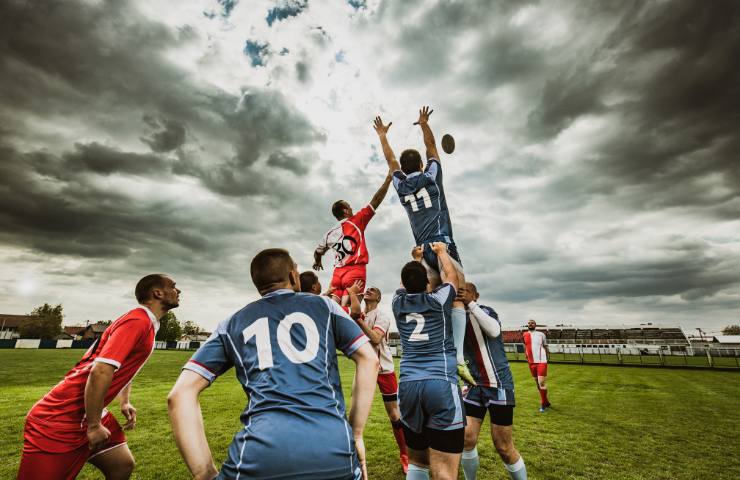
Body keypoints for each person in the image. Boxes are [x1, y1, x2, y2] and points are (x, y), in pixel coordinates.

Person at [168, 248, 378, 480]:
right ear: (292, 276)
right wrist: (356, 433)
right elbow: (369, 359)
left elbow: (179, 395)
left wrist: (203, 472)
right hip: (333, 446)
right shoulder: (325, 306)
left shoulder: (230, 324)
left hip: (259, 453)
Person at [17, 274, 181, 480]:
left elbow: (123, 367)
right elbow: (100, 370)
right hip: (60, 418)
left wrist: (125, 400)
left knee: (121, 465)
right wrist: (94, 425)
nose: (178, 291)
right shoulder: (138, 321)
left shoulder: (145, 322)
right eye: (173, 287)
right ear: (157, 293)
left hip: (88, 413)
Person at [374, 107, 473, 386]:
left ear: (403, 169)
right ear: (419, 165)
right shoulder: (431, 175)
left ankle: (433, 353)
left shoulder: (400, 184)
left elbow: (390, 160)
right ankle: (459, 360)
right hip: (443, 245)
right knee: (457, 295)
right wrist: (424, 124)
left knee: (430, 297)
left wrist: (383, 136)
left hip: (421, 249)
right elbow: (431, 147)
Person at [392, 242, 465, 480]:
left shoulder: (397, 302)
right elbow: (451, 277)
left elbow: (407, 282)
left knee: (418, 463)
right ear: (426, 283)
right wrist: (442, 253)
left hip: (408, 386)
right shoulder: (437, 300)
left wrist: (415, 258)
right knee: (444, 470)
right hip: (440, 382)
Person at [458, 283, 527, 480]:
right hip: (474, 386)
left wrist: (470, 304)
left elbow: (494, 331)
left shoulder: (486, 311)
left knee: (503, 446)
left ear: (476, 295)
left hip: (498, 385)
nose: (461, 294)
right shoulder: (455, 316)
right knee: (466, 439)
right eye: (459, 291)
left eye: (467, 291)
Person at [313, 171, 392, 306]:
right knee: (349, 313)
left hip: (337, 275)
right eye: (349, 206)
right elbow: (376, 200)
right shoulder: (355, 221)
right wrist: (388, 179)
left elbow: (317, 251)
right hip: (355, 271)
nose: (352, 208)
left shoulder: (328, 234)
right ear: (345, 211)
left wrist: (318, 261)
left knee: (336, 312)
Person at [353, 286, 409, 474]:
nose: (369, 290)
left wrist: (358, 320)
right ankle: (353, 457)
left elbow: (376, 338)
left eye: (373, 290)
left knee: (395, 415)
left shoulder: (382, 315)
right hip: (364, 370)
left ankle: (405, 454)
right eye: (367, 289)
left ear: (378, 297)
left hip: (384, 370)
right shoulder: (357, 314)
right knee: (356, 416)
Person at [522, 319, 551, 412]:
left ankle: (543, 404)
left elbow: (545, 346)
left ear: (535, 325)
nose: (530, 324)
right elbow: (525, 346)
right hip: (531, 362)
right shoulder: (524, 334)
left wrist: (546, 357)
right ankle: (546, 401)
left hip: (541, 361)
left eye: (532, 323)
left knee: (541, 383)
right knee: (537, 383)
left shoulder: (541, 334)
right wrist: (526, 356)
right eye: (529, 323)